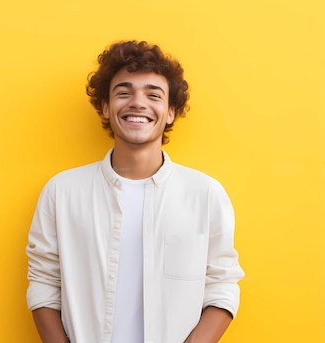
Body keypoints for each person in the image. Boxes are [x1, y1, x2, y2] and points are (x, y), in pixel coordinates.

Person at [26, 40, 244, 343]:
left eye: (153, 94)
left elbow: (222, 283)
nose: (138, 103)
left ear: (170, 112)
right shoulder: (62, 192)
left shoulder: (205, 193)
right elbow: (44, 282)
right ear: (106, 107)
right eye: (124, 93)